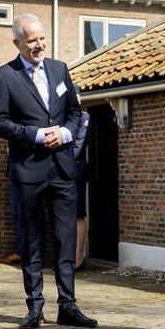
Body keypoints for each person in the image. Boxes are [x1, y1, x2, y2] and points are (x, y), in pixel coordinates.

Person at [0, 13, 96, 329]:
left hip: (63, 167)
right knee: (32, 241)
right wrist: (35, 135)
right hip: (28, 170)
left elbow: (75, 112)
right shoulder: (4, 77)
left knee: (65, 239)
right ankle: (35, 308)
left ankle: (68, 305)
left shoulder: (60, 69)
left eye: (41, 38)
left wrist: (64, 133)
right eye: (32, 40)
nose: (39, 45)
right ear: (17, 43)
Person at [73, 108, 91, 271]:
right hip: (58, 174)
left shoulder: (84, 117)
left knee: (78, 215)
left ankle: (78, 257)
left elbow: (79, 145)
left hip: (75, 172)